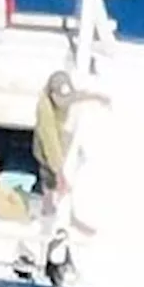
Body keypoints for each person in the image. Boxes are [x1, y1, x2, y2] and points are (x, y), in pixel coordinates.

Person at [33, 70, 110, 236]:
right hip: (47, 149)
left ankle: (54, 207)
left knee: (57, 180)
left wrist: (96, 97)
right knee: (53, 180)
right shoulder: (45, 111)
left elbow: (73, 96)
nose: (65, 103)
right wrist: (59, 171)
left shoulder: (59, 94)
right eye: (61, 100)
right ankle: (58, 213)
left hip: (60, 138)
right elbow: (50, 141)